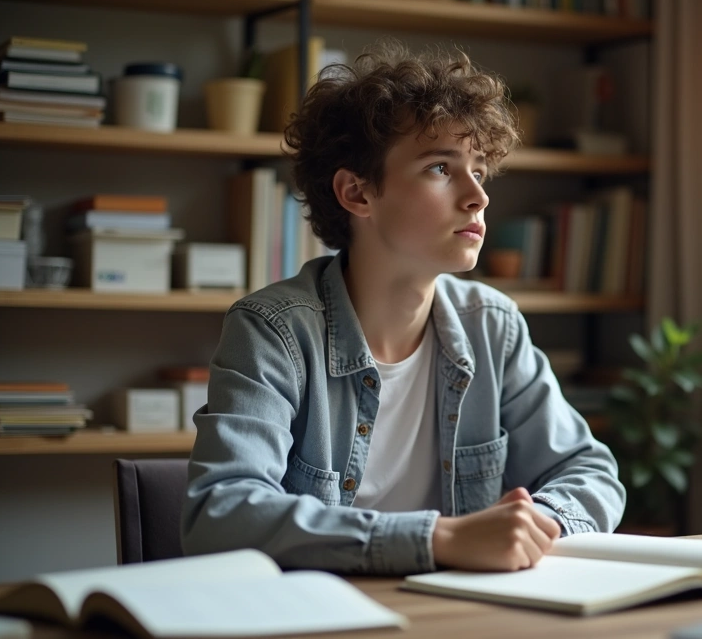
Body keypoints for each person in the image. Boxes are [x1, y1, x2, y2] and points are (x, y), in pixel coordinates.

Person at [181, 40, 625, 576]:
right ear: (357, 193)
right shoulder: (274, 331)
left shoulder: (493, 325)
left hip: (461, 609)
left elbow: (590, 471)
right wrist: (437, 539)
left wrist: (537, 524)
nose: (478, 196)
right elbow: (220, 514)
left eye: (479, 171)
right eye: (441, 167)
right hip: (329, 611)